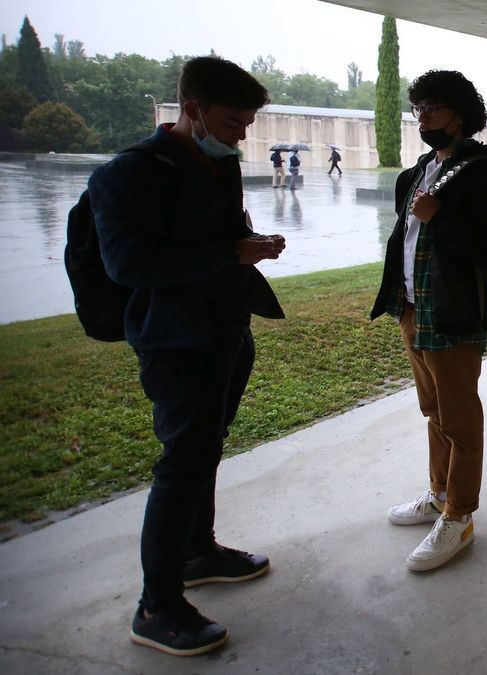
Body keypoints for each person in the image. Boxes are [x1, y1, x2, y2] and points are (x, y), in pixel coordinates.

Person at [88, 56, 286, 656]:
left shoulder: (215, 163)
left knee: (206, 451)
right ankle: (157, 606)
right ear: (192, 110)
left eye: (248, 123)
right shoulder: (129, 175)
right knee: (182, 464)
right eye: (232, 122)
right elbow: (129, 265)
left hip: (224, 331)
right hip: (175, 342)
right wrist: (231, 251)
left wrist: (245, 247)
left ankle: (198, 552)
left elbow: (215, 242)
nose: (241, 135)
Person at [370, 70, 487, 572]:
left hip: (453, 313)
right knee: (433, 410)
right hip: (414, 308)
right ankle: (437, 493)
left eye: (433, 107)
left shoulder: (479, 173)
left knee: (460, 418)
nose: (424, 117)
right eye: (419, 108)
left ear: (460, 113)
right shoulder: (418, 171)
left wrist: (440, 218)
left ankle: (459, 515)